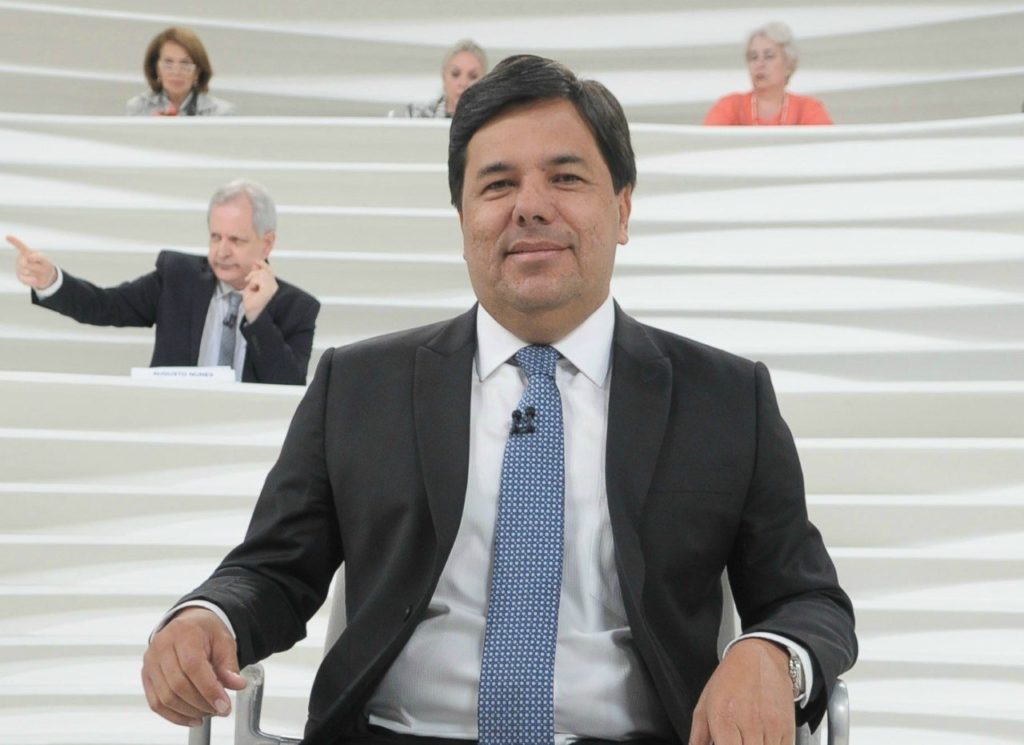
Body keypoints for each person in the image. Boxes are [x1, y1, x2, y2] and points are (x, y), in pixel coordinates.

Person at [142, 56, 856, 744]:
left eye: (566, 177)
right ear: (463, 220)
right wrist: (209, 616)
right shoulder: (358, 386)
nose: (530, 207)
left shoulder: (725, 398)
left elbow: (807, 598)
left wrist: (772, 653)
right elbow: (273, 570)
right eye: (497, 184)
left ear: (622, 208)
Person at [9, 179, 318, 385]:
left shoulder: (297, 308)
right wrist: (51, 280)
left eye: (236, 240)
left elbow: (287, 390)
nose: (222, 251)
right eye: (215, 237)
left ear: (267, 243)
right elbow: (104, 306)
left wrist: (259, 318)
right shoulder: (177, 278)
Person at [704, 22, 832, 126]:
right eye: (753, 57)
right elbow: (707, 143)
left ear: (788, 64)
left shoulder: (809, 109)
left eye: (769, 56)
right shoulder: (730, 106)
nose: (759, 64)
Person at [126, 27, 235, 116]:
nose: (176, 72)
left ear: (197, 72)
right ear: (157, 69)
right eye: (168, 63)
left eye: (185, 63)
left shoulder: (220, 113)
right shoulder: (138, 108)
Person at [398, 39, 487, 118]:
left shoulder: (491, 121)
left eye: (473, 76)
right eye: (455, 74)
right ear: (444, 77)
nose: (463, 83)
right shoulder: (416, 115)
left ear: (484, 81)